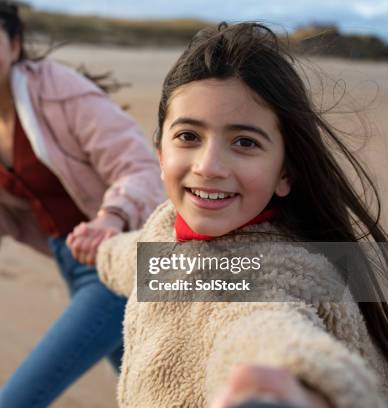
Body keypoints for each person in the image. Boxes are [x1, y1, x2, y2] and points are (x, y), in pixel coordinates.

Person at [97, 22, 388, 407]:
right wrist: (100, 247)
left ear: (286, 172)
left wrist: (289, 386)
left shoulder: (283, 273)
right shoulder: (166, 223)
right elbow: (140, 258)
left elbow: (263, 326)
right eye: (189, 136)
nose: (209, 165)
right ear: (160, 152)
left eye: (245, 142)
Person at [0, 0, 164, 406]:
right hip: (73, 267)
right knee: (150, 395)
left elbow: (141, 166)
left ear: (15, 43)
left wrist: (111, 217)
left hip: (122, 262)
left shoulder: (63, 92)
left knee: (16, 401)